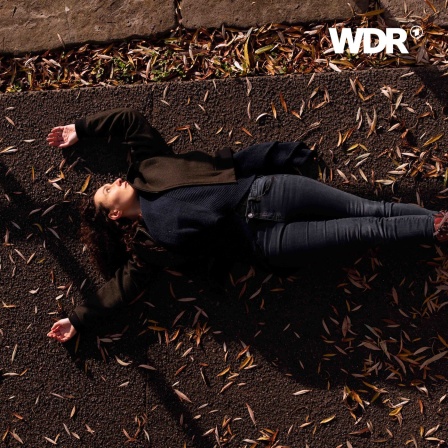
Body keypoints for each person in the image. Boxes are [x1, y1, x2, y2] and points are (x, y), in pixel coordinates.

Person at [46, 108, 448, 343]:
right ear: (115, 215)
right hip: (266, 241)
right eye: (106, 191)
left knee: (370, 211)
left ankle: (438, 225)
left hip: (270, 191)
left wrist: (81, 129)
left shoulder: (148, 166)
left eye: (109, 181)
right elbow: (121, 288)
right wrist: (80, 318)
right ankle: (436, 228)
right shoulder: (148, 246)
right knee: (362, 231)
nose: (114, 181)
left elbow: (130, 121)